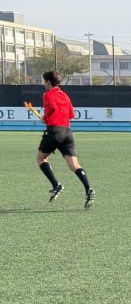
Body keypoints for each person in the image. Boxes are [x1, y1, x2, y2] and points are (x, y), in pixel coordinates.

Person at [36, 71, 95, 208]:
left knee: (41, 159)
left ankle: (56, 185)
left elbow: (52, 108)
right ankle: (88, 189)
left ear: (48, 82)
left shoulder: (47, 94)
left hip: (54, 131)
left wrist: (46, 118)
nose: (44, 84)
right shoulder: (64, 95)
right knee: (74, 165)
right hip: (68, 132)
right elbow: (71, 114)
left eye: (44, 81)